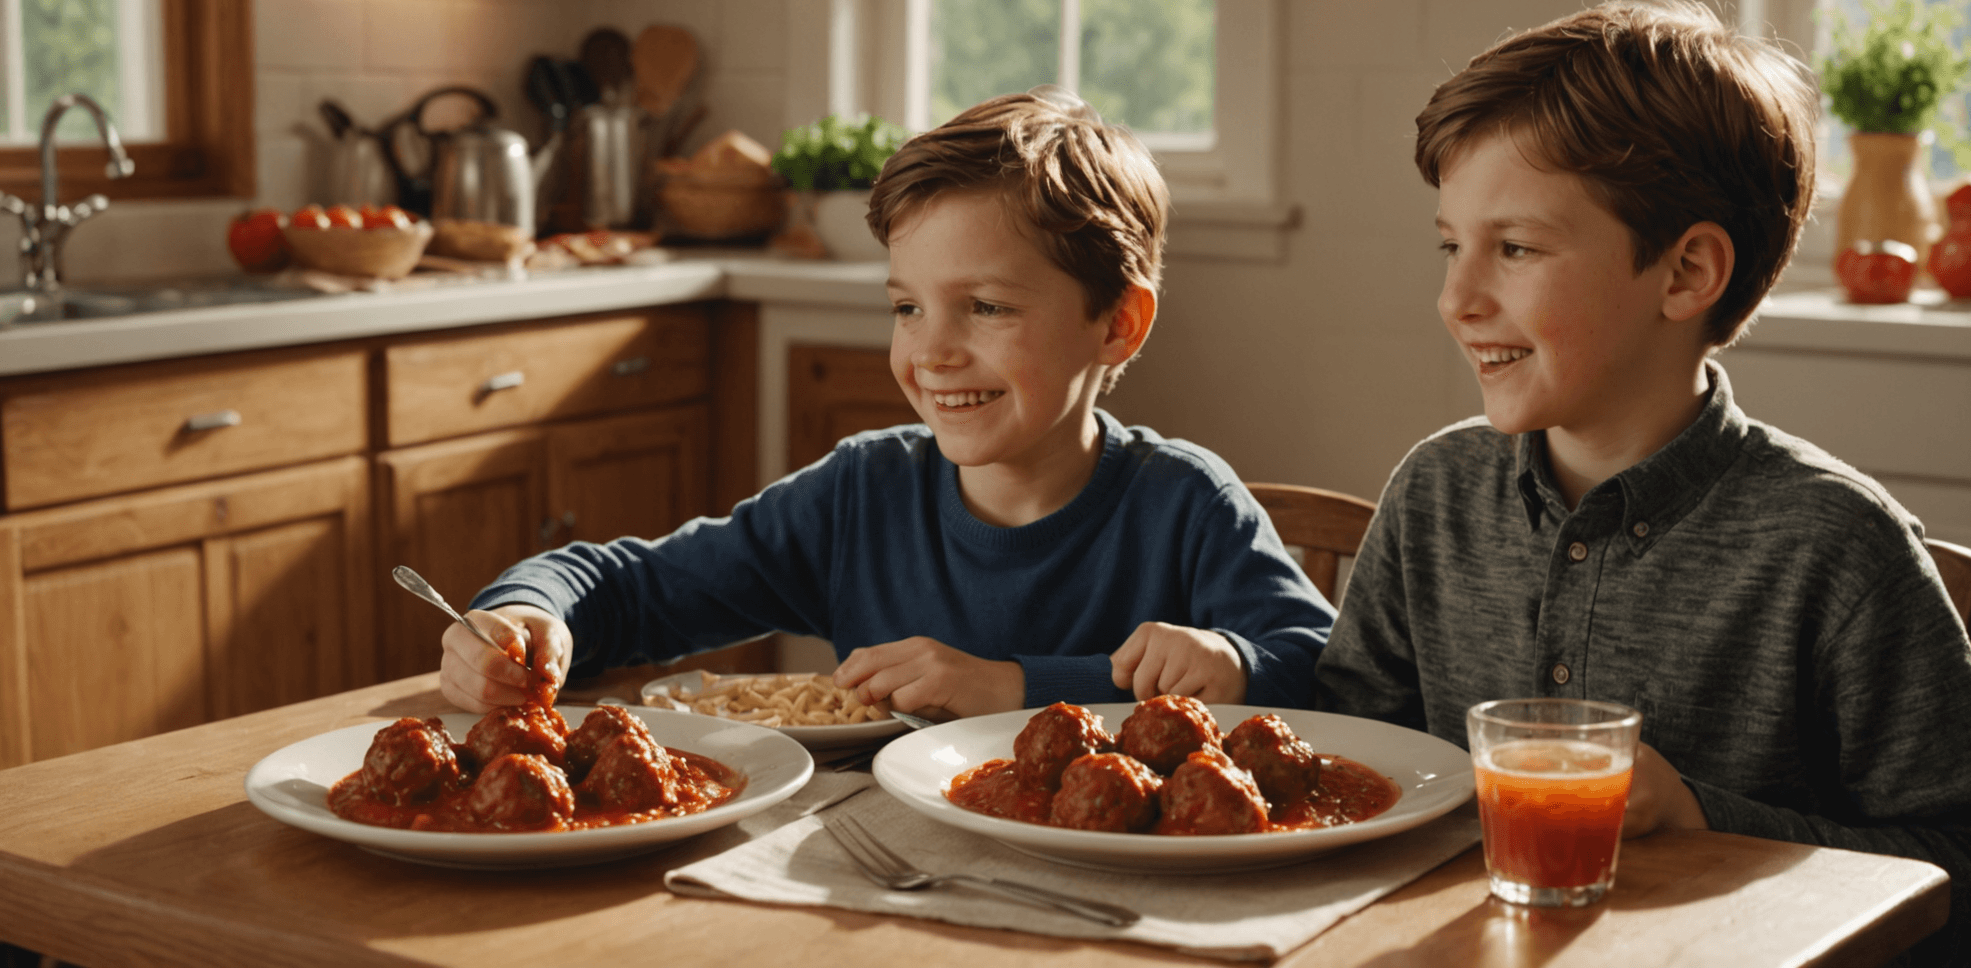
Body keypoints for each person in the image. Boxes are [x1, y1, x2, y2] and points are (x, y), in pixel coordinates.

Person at [1313, 0, 1971, 965]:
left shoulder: (1838, 547)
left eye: (1513, 249)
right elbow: (1345, 771)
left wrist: (1703, 818)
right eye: (1451, 245)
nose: (1456, 298)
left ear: (1685, 275)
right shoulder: (1433, 495)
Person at [442, 87, 1335, 722]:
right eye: (907, 307)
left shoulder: (1185, 505)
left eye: (985, 307)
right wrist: (528, 615)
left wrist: (1038, 685)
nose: (932, 352)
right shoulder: (861, 493)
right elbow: (629, 588)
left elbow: (1335, 680)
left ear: (1117, 326)